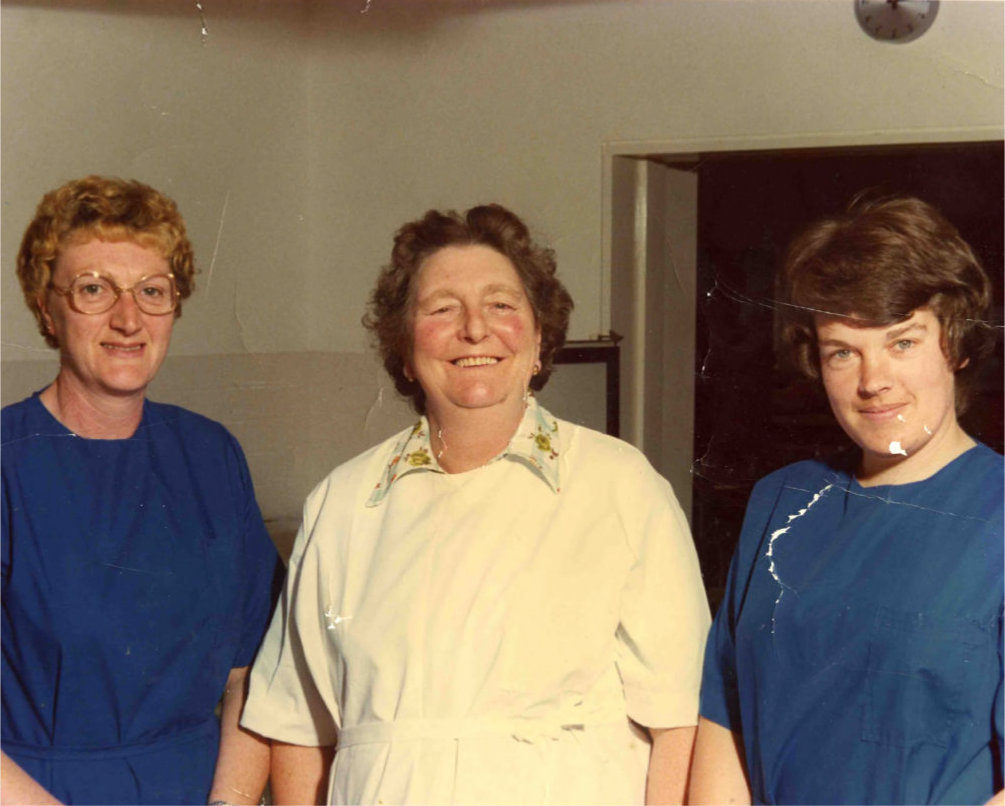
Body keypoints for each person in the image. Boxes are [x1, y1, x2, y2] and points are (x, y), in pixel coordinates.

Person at [241, 203, 711, 805]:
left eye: (501, 305)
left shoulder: (620, 485)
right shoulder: (343, 501)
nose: (474, 329)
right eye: (441, 309)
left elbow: (680, 718)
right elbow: (299, 726)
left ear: (540, 338)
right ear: (405, 348)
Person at [689, 195, 1004, 805]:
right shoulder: (780, 501)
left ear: (956, 344)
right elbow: (723, 716)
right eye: (843, 351)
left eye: (903, 342)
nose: (873, 380)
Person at [1, 176, 279, 805]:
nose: (128, 319)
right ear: (47, 308)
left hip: (201, 787)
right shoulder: (5, 464)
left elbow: (250, 675)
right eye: (94, 289)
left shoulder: (210, 455)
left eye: (152, 291)